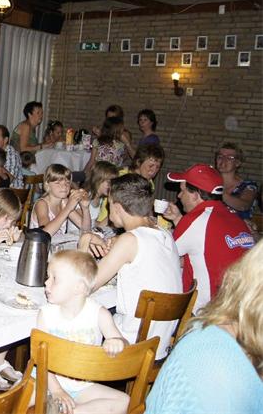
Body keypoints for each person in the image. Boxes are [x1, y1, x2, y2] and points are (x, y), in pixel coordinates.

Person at [145, 241, 263, 414]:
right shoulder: (211, 368)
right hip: (190, 322)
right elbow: (167, 250)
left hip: (184, 324)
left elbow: (165, 251)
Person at [78, 174, 182, 359]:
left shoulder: (130, 241)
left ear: (118, 208)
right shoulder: (164, 233)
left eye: (109, 204)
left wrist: (84, 242)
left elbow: (84, 286)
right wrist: (117, 241)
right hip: (159, 347)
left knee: (73, 311)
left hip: (129, 348)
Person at [31, 250, 130, 414]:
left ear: (79, 288)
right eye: (48, 277)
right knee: (17, 398)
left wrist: (117, 343)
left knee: (124, 401)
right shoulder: (46, 315)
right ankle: (60, 406)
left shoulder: (99, 314)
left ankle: (71, 411)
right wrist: (56, 390)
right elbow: (40, 360)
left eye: (54, 278)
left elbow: (124, 345)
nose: (46, 282)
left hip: (81, 386)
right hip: (46, 379)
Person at [162, 164, 254, 312]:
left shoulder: (195, 219)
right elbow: (202, 243)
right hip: (241, 309)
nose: (179, 196)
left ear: (195, 195)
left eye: (182, 190)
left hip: (206, 314)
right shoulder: (236, 219)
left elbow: (164, 254)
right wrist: (178, 218)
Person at [30, 164, 90, 237]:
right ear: (47, 184)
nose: (64, 186)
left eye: (67, 182)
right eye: (58, 183)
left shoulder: (64, 202)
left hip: (58, 243)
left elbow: (85, 228)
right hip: (40, 243)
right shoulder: (41, 204)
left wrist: (85, 208)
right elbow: (45, 233)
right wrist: (68, 208)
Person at [215, 142, 258, 220]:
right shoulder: (211, 181)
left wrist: (217, 193)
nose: (223, 160)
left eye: (229, 158)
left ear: (237, 163)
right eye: (220, 157)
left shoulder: (249, 185)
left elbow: (244, 205)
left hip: (237, 226)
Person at [85, 161, 119, 229]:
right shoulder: (85, 197)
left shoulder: (101, 198)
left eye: (113, 183)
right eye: (108, 182)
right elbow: (88, 226)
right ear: (98, 179)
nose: (111, 186)